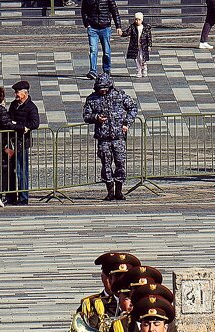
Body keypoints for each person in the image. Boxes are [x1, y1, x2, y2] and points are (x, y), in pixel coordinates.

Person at [83, 73, 139, 201]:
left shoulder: (119, 95)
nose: (103, 91)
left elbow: (133, 107)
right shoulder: (92, 98)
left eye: (105, 88)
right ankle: (110, 192)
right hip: (103, 138)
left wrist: (127, 123)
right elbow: (86, 115)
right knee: (106, 165)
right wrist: (96, 117)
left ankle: (119, 191)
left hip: (118, 137)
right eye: (100, 88)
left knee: (120, 164)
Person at [8, 80, 41, 205]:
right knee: (11, 169)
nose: (16, 94)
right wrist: (16, 125)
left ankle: (23, 197)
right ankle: (11, 196)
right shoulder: (14, 105)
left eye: (18, 92)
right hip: (11, 142)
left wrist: (21, 126)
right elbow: (9, 120)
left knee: (22, 171)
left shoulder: (31, 107)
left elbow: (35, 123)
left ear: (25, 93)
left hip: (22, 143)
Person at [82, 0, 122, 78]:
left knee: (106, 50)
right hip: (93, 27)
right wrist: (87, 24)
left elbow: (115, 11)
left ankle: (106, 70)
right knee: (93, 50)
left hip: (105, 26)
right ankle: (93, 71)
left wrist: (118, 26)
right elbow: (84, 11)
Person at [123, 11, 153, 78]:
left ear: (142, 20)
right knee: (137, 58)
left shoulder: (146, 28)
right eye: (136, 19)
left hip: (143, 45)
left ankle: (144, 68)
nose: (137, 21)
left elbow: (149, 37)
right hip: (135, 46)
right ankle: (138, 70)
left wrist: (149, 45)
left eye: (139, 19)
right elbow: (127, 32)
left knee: (143, 58)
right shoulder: (133, 27)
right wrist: (122, 33)